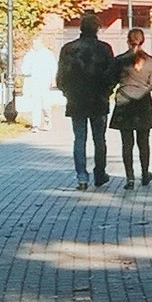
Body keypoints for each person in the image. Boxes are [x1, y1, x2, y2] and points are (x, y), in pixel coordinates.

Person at [56, 12, 115, 188]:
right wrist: (107, 92)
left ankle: (82, 176)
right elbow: (111, 75)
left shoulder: (68, 49)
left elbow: (61, 78)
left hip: (76, 100)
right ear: (97, 28)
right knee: (99, 139)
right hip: (98, 99)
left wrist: (68, 93)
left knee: (79, 138)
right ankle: (100, 173)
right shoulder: (104, 49)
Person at [109, 25, 152, 189]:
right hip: (143, 105)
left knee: (126, 143)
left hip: (124, 104)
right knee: (144, 142)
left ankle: (129, 178)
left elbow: (111, 82)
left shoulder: (120, 60)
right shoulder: (150, 62)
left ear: (128, 41)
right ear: (143, 41)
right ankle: (145, 173)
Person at [18, 19, 60, 131]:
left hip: (44, 80)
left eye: (36, 43)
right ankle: (35, 124)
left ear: (41, 43)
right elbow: (25, 67)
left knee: (45, 103)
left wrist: (52, 79)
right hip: (33, 81)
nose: (34, 45)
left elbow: (53, 67)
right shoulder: (29, 54)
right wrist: (26, 74)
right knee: (35, 103)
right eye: (33, 43)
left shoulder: (47, 54)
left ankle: (47, 121)